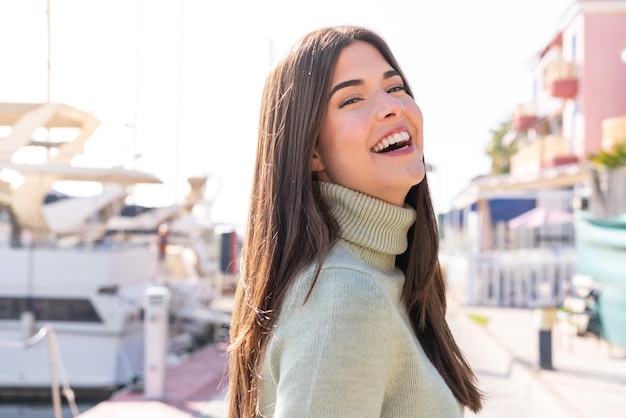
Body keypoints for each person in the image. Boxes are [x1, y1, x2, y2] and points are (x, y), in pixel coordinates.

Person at [227, 25, 483, 417]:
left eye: (395, 88)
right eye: (352, 99)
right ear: (313, 151)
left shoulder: (381, 278)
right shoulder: (344, 296)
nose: (391, 106)